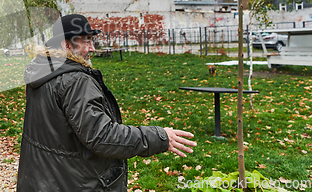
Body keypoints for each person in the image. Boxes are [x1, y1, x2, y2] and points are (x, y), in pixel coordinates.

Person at [17, 14, 196, 192]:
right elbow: (102, 136)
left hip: (41, 179)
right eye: (86, 41)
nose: (93, 48)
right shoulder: (75, 81)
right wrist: (159, 137)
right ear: (67, 45)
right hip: (75, 183)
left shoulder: (42, 72)